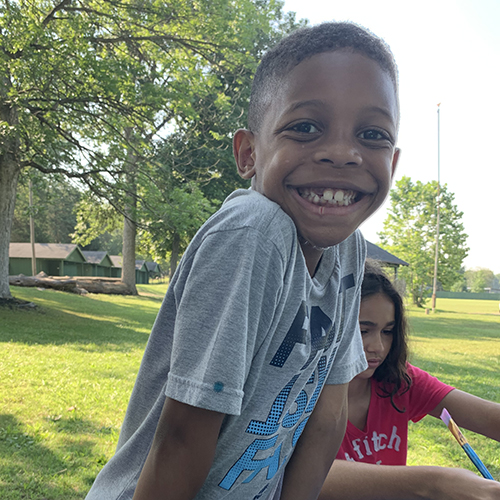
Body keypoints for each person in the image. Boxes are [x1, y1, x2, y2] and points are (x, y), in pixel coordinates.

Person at [86, 22, 401, 500]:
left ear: (393, 163)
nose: (341, 153)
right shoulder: (254, 233)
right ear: (249, 152)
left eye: (372, 133)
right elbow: (182, 437)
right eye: (306, 127)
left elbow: (328, 413)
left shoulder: (349, 249)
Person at [319, 260, 500, 500]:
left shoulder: (399, 380)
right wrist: (434, 483)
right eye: (363, 331)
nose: (378, 347)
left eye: (388, 331)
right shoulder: (304, 392)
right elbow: (302, 475)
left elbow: (488, 417)